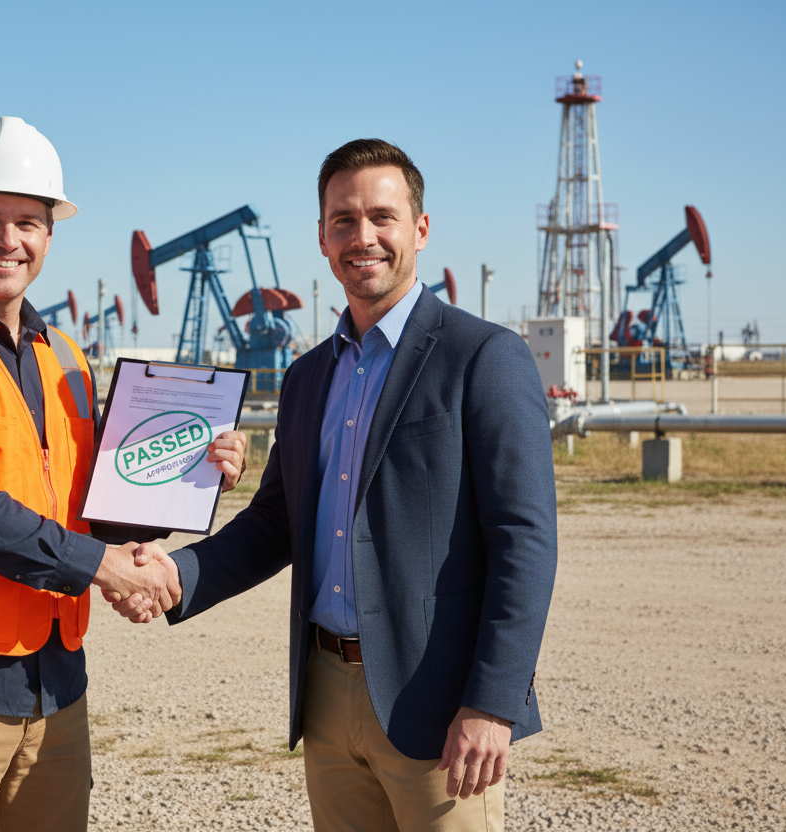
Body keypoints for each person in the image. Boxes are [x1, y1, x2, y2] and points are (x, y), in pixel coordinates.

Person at [108, 139, 558, 830]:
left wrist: (491, 703)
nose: (363, 237)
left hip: (438, 706)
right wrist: (174, 574)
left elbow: (524, 543)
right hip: (327, 693)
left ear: (420, 229)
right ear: (321, 237)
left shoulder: (484, 358)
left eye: (382, 216)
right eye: (343, 221)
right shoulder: (309, 376)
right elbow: (277, 522)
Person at [0, 116, 241, 832]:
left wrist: (194, 472)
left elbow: (89, 506)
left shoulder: (65, 358)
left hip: (55, 688)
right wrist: (104, 568)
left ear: (51, 235)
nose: (9, 240)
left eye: (28, 221)